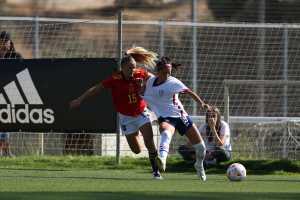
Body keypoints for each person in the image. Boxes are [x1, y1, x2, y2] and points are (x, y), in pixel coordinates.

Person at [70, 47, 162, 179]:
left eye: (134, 67)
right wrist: (80, 99)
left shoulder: (140, 74)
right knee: (136, 151)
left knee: (150, 142)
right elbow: (96, 89)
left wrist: (146, 86)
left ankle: (156, 172)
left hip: (141, 113)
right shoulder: (114, 79)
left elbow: (155, 81)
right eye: (130, 68)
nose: (133, 70)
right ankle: (137, 134)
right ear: (122, 68)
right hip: (126, 117)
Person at [142, 56, 210, 181]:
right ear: (159, 71)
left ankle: (199, 165)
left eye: (170, 71)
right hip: (166, 118)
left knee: (201, 148)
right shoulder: (150, 82)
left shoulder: (174, 82)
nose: (168, 74)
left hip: (180, 116)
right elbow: (140, 73)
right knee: (166, 133)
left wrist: (202, 104)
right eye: (165, 71)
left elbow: (190, 92)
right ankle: (162, 158)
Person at [0, 30, 22, 157]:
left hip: (10, 94)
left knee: (6, 124)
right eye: (1, 42)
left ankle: (6, 151)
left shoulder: (16, 56)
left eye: (5, 42)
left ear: (10, 43)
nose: (3, 44)